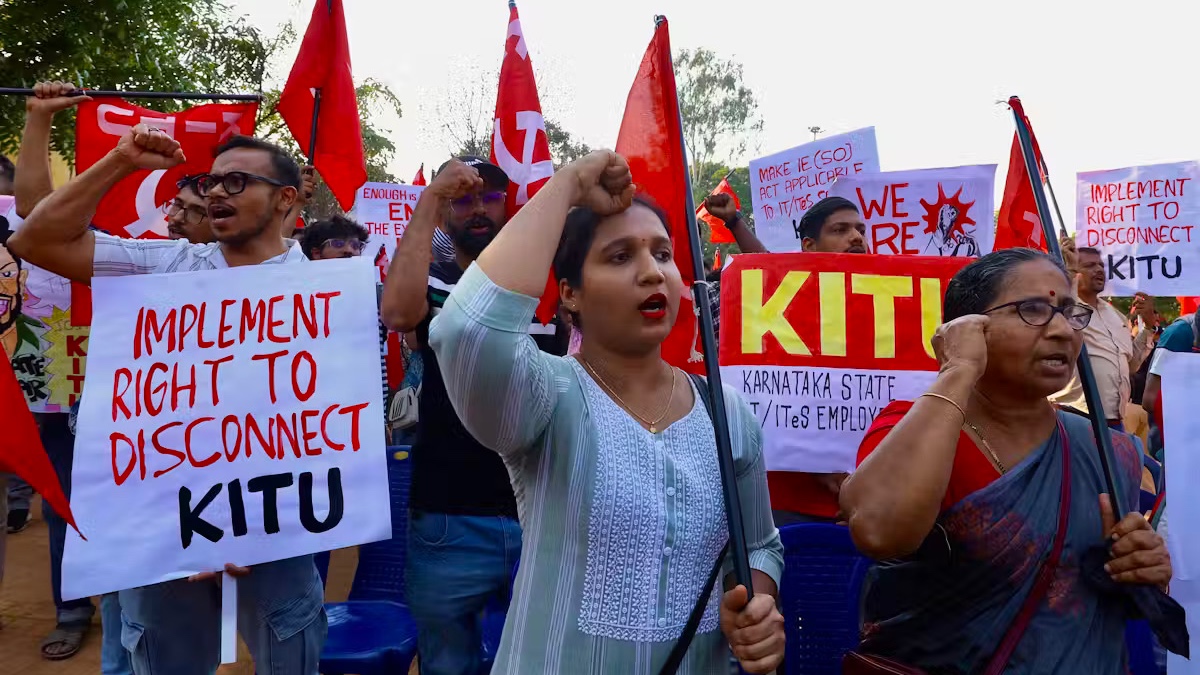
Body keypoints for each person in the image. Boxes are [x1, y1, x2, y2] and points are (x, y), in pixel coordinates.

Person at [427, 150, 785, 674]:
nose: (651, 273)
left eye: (662, 255)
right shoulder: (546, 394)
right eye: (620, 257)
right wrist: (568, 184)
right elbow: (467, 331)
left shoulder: (726, 412)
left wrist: (757, 608)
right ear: (569, 295)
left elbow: (759, 545)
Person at [8, 123, 327, 674]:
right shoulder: (168, 264)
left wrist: (242, 526)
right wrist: (120, 161)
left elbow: (324, 427)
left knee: (291, 657)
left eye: (236, 181)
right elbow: (36, 241)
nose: (216, 192)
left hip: (274, 528)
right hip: (162, 528)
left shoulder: (325, 292)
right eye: (211, 182)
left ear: (286, 199)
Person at [840, 248, 1171, 673]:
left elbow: (1093, 599)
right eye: (1032, 310)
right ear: (967, 328)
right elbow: (880, 532)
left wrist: (1141, 569)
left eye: (1069, 313)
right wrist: (957, 369)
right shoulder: (915, 429)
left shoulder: (1109, 451)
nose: (1062, 331)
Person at [380, 155, 567, 674]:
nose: (478, 208)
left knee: (544, 660)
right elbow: (397, 314)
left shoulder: (553, 288)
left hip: (546, 513)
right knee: (448, 665)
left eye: (489, 196)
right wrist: (428, 199)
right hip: (450, 517)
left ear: (513, 206)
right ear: (444, 216)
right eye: (462, 200)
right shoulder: (435, 287)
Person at [756, 196, 868, 527]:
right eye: (841, 229)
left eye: (861, 229)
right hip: (790, 502)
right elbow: (765, 398)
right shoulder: (774, 304)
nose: (857, 237)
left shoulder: (890, 306)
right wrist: (817, 462)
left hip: (870, 502)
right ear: (809, 244)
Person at [1052, 241, 1155, 429]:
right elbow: (1061, 303)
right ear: (1075, 270)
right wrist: (1068, 270)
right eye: (1089, 265)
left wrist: (1148, 327)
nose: (1099, 269)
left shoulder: (1117, 317)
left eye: (1101, 265)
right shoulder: (1067, 307)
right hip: (1074, 414)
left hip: (1114, 420)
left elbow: (1131, 365)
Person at [299, 214, 369, 260]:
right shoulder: (297, 282)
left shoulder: (370, 282)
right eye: (338, 244)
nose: (349, 250)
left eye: (355, 245)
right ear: (316, 253)